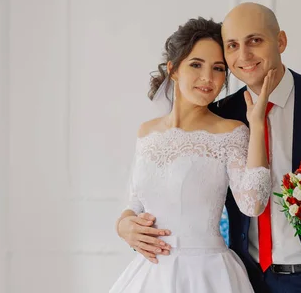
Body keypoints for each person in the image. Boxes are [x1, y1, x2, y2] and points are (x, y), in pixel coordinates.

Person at [118, 3, 301, 293]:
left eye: (255, 41)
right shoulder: (223, 114)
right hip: (250, 280)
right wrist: (125, 225)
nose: (244, 55)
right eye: (233, 46)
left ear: (281, 41)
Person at [109, 17, 277, 293]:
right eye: (196, 64)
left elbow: (253, 204)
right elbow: (135, 203)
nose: (208, 78)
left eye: (218, 68)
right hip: (151, 275)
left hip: (209, 275)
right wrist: (123, 226)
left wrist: (256, 124)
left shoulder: (232, 131)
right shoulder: (146, 133)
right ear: (173, 69)